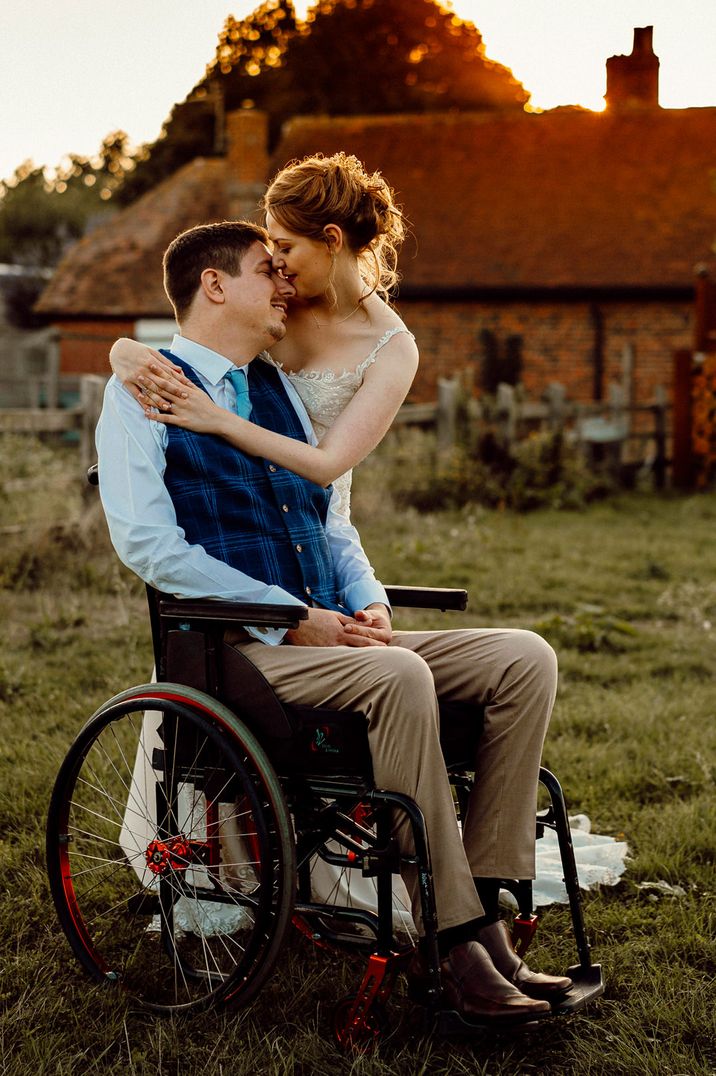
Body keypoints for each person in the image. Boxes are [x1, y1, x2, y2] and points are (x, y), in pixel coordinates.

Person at [97, 219, 571, 1024]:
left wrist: (369, 599)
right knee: (398, 673)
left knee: (523, 657)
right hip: (235, 652)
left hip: (331, 636)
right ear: (214, 285)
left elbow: (329, 521)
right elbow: (148, 542)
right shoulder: (142, 388)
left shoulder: (278, 386)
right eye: (262, 270)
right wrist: (290, 617)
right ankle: (452, 941)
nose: (283, 284)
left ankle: (487, 906)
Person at [108, 152, 419, 520]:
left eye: (285, 247)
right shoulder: (276, 302)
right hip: (234, 503)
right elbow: (201, 330)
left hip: (314, 520)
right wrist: (122, 352)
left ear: (332, 239)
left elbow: (326, 465)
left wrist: (218, 419)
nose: (277, 264)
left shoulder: (392, 350)